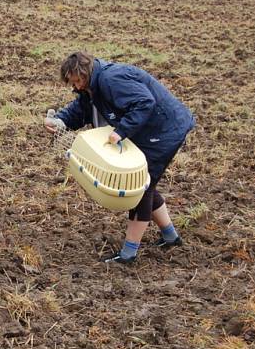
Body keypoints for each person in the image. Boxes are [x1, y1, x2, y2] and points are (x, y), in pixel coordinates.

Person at [44, 51, 195, 264]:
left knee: (140, 188)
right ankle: (170, 237)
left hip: (164, 130)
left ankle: (128, 254)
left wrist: (121, 131)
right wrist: (60, 121)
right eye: (72, 83)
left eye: (77, 81)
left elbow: (144, 103)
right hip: (151, 130)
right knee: (144, 183)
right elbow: (82, 108)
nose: (76, 87)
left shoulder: (111, 79)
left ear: (85, 72)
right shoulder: (91, 87)